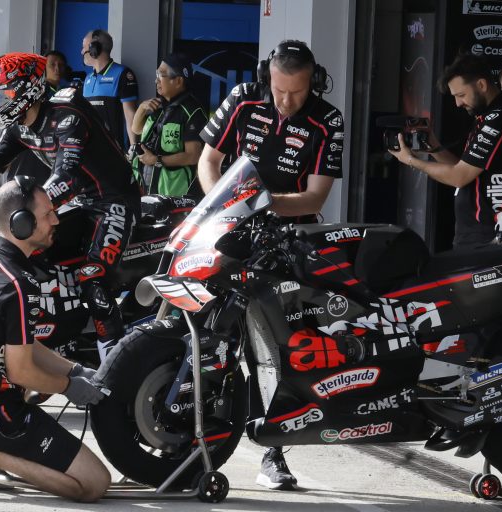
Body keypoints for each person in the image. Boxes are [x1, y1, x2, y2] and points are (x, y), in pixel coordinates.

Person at [198, 40, 344, 489]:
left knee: (275, 350)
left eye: (297, 92)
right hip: (227, 229)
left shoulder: (328, 119)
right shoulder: (243, 98)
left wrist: (258, 205)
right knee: (203, 329)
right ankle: (189, 434)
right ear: (267, 78)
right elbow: (208, 161)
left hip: (287, 243)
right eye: (279, 90)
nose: (286, 101)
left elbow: (315, 197)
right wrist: (223, 206)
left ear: (314, 82)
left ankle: (273, 453)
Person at [0, 177, 110, 501]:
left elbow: (20, 343)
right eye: (47, 214)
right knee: (94, 483)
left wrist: (73, 370)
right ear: (21, 224)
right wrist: (69, 387)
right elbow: (21, 371)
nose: (56, 220)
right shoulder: (17, 285)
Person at [0, 52, 140, 362]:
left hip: (114, 202)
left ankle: (113, 364)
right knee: (34, 256)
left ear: (24, 91)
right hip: (77, 202)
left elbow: (67, 177)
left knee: (93, 278)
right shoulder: (19, 125)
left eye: (1, 96)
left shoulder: (68, 115)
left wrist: (24, 211)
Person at [388, 53, 502, 247]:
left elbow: (459, 177)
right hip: (476, 234)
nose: (457, 103)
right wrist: (433, 146)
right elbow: (463, 168)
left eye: (461, 95)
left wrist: (410, 160)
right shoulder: (487, 117)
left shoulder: (500, 118)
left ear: (481, 85)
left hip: (491, 236)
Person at [131, 53, 207, 196]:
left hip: (174, 196)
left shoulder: (192, 111)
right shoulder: (159, 106)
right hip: (147, 190)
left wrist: (156, 160)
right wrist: (141, 109)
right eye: (157, 74)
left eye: (161, 75)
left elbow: (193, 155)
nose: (156, 80)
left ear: (178, 81)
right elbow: (137, 129)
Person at [81, 29, 138, 150]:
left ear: (94, 48)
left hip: (116, 150)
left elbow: (130, 115)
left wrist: (134, 147)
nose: (81, 52)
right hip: (92, 149)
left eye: (84, 47)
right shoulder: (88, 79)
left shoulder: (122, 74)